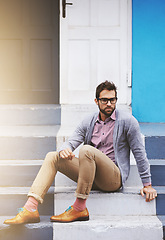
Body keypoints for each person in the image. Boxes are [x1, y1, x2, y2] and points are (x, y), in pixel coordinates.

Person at [4, 81, 157, 225]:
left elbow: (139, 152)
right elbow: (71, 142)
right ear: (96, 101)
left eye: (112, 100)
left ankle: (79, 208)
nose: (109, 104)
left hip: (112, 179)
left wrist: (147, 184)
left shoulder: (128, 121)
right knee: (53, 156)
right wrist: (65, 150)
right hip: (89, 175)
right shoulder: (89, 120)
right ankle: (30, 208)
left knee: (86, 150)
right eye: (104, 100)